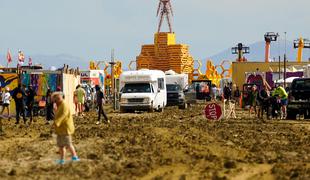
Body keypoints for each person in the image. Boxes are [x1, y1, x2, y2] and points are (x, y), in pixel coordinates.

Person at [51, 92, 79, 165]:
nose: (55, 101)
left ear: (61, 98)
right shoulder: (59, 105)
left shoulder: (64, 105)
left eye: (56, 99)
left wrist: (57, 122)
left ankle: (74, 156)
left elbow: (64, 115)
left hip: (66, 128)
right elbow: (58, 114)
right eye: (54, 99)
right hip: (60, 129)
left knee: (68, 144)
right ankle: (62, 159)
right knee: (61, 145)